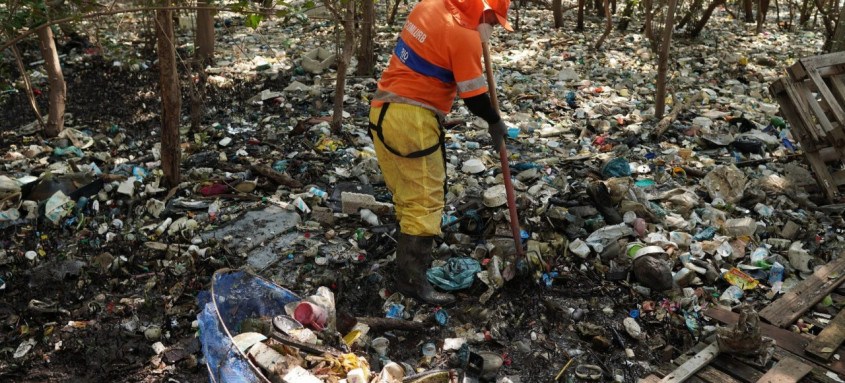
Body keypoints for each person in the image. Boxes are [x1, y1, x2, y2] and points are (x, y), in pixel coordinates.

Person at [368, 0, 513, 305]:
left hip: (383, 111)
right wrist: (495, 121)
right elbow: (473, 97)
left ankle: (406, 266)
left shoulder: (429, 5)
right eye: (494, 22)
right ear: (483, 11)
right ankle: (412, 282)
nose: (494, 29)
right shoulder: (464, 36)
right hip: (412, 121)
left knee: (408, 196)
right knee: (425, 201)